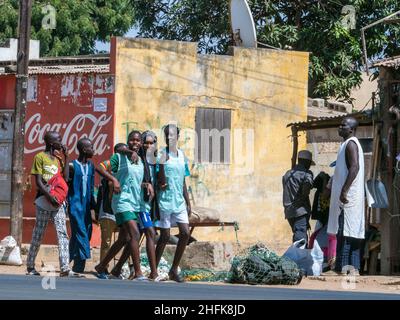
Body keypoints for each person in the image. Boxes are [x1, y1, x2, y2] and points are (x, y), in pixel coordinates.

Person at [94, 131, 154, 280]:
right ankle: (138, 272)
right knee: (135, 233)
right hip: (121, 202)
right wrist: (114, 180)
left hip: (135, 203)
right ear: (128, 142)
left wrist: (145, 184)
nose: (135, 142)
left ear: (140, 143)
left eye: (138, 140)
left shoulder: (140, 160)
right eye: (132, 140)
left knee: (124, 238)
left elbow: (133, 181)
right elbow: (100, 168)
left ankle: (102, 266)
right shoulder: (119, 157)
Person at [26, 131, 80, 277]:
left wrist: (66, 157)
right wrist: (50, 197)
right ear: (51, 143)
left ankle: (64, 268)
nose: (61, 142)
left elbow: (66, 178)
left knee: (62, 233)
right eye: (59, 140)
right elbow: (38, 182)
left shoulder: (58, 159)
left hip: (58, 202)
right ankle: (30, 266)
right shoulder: (40, 157)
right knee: (38, 233)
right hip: (44, 200)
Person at [327, 117, 365, 276]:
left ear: (351, 129)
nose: (339, 127)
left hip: (348, 197)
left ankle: (341, 267)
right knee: (352, 232)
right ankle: (353, 268)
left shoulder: (350, 144)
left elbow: (354, 167)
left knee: (346, 232)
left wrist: (344, 191)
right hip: (351, 196)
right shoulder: (346, 144)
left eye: (343, 125)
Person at [155, 124, 191, 283]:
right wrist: (162, 163)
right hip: (165, 200)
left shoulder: (182, 155)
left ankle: (173, 269)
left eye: (173, 134)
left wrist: (188, 201)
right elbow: (160, 181)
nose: (171, 137)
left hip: (179, 201)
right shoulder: (161, 155)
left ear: (178, 136)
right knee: (165, 236)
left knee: (185, 233)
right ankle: (154, 269)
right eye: (167, 135)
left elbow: (183, 180)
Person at [96, 143, 127, 274]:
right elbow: (101, 195)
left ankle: (120, 268)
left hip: (122, 210)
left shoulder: (126, 170)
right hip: (108, 212)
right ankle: (104, 267)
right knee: (107, 242)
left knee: (125, 240)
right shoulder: (109, 172)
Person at [67, 138, 96, 274]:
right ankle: (85, 255)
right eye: (91, 147)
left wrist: (93, 209)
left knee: (83, 234)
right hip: (75, 206)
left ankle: (75, 265)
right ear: (84, 150)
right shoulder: (72, 166)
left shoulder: (91, 166)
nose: (93, 150)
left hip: (86, 208)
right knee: (81, 233)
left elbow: (90, 189)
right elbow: (66, 185)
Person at [282, 150, 314, 246]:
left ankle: (297, 256)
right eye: (309, 163)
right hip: (300, 210)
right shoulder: (306, 173)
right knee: (300, 237)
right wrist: (301, 199)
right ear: (306, 162)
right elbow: (306, 186)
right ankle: (299, 259)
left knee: (297, 233)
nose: (309, 166)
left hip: (289, 211)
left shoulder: (287, 174)